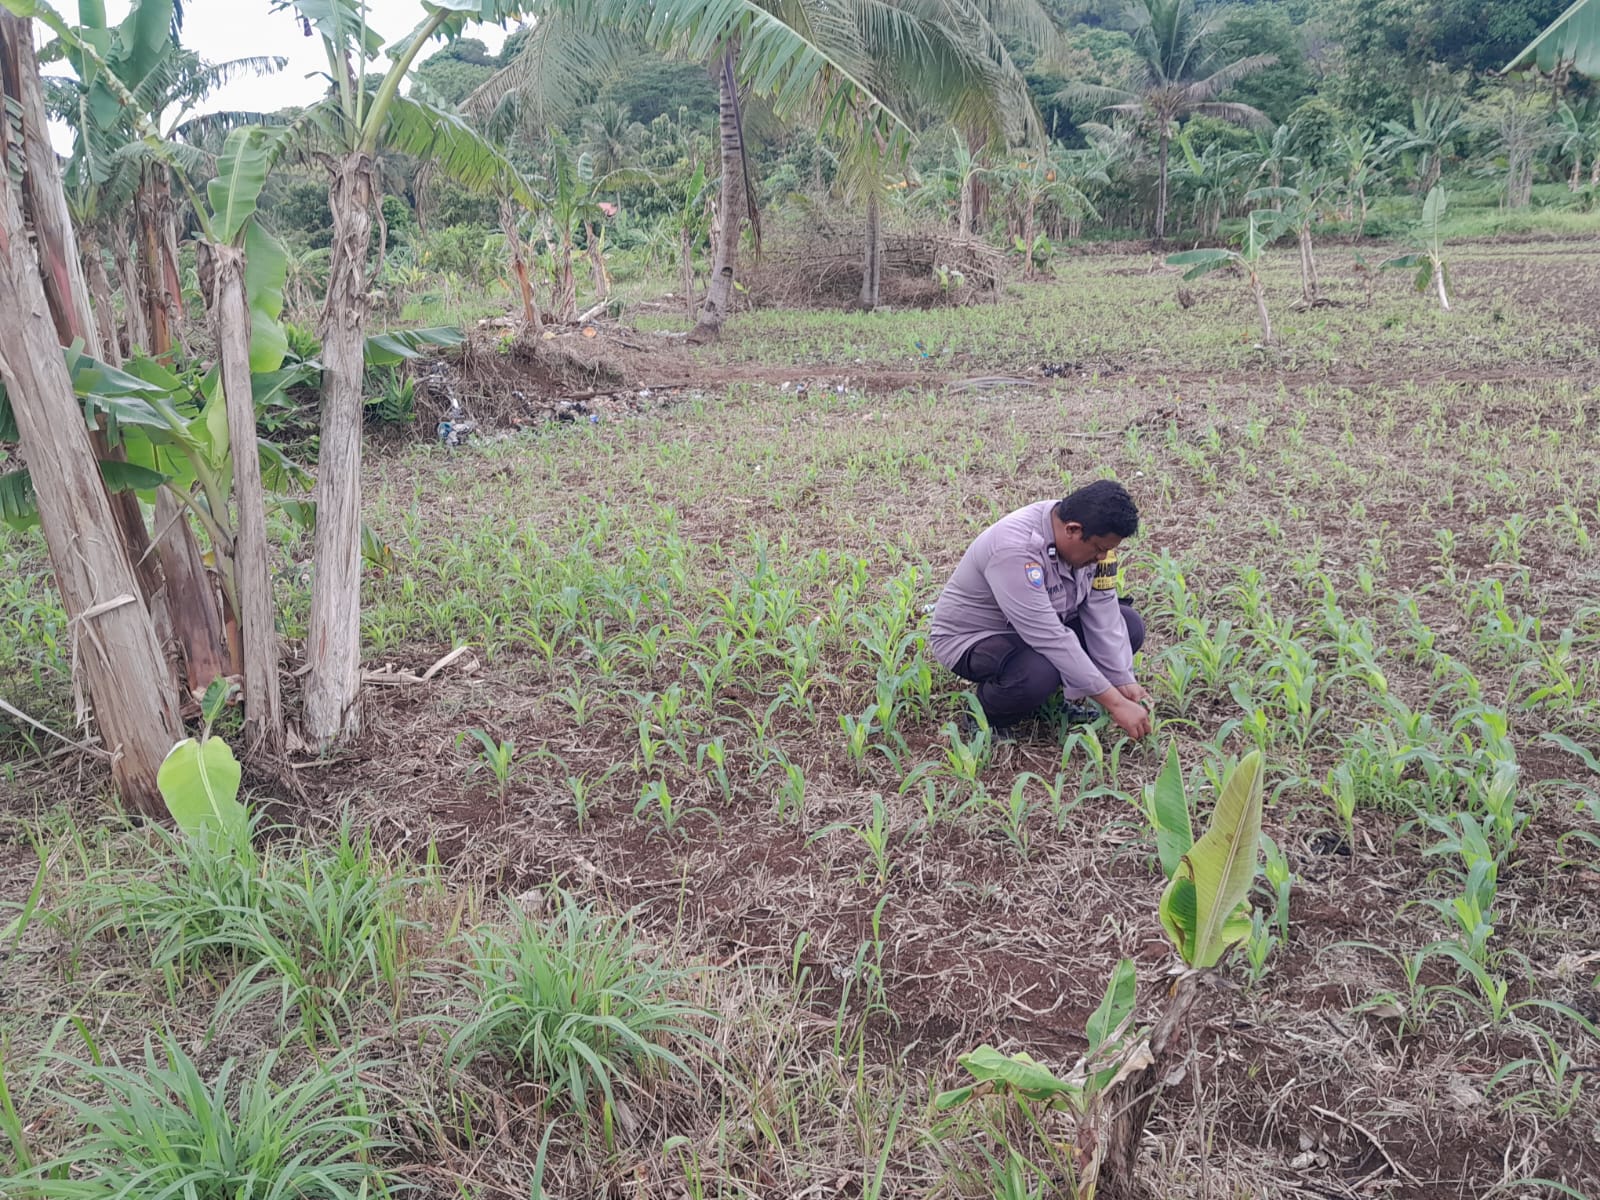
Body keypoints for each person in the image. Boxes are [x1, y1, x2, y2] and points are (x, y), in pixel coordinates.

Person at [929, 480, 1152, 740]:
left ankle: (1046, 702)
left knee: (1129, 625)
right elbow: (1050, 638)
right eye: (1099, 549)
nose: (1102, 558)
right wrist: (1115, 703)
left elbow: (1103, 610)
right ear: (1073, 530)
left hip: (1040, 628)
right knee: (1039, 671)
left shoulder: (1089, 536)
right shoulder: (1015, 550)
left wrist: (1123, 680)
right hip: (975, 637)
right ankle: (986, 714)